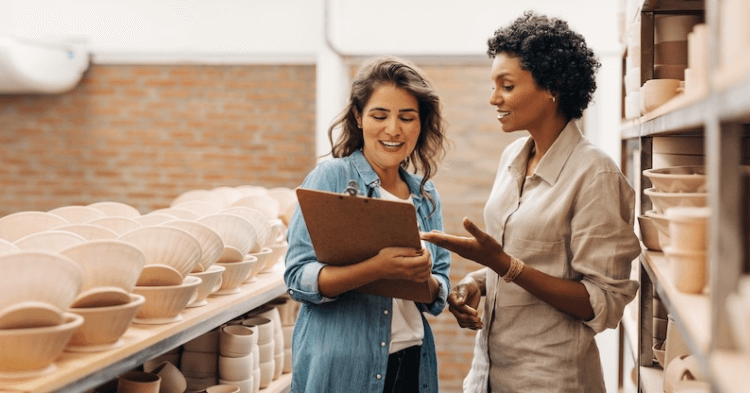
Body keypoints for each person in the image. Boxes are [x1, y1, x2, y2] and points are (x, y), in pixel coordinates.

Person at [421, 11, 641, 392]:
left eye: (506, 86)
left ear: (552, 85)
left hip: (550, 380)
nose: (494, 98)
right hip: (489, 374)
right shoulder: (512, 157)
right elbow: (515, 260)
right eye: (494, 85)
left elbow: (602, 303)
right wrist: (478, 282)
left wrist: (504, 266)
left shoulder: (595, 174)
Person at [284, 56, 451, 393]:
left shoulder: (425, 193)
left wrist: (425, 277)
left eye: (407, 117)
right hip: (343, 369)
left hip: (412, 363)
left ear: (421, 124)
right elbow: (297, 279)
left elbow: (438, 294)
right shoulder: (330, 177)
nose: (393, 129)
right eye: (380, 115)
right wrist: (376, 268)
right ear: (359, 117)